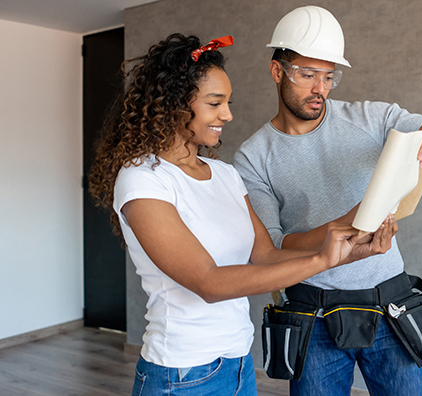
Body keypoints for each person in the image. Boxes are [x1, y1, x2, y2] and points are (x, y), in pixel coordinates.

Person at [87, 33, 396, 396]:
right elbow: (209, 282)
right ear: (173, 104)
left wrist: (345, 252)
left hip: (237, 364)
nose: (228, 115)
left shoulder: (225, 175)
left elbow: (266, 256)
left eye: (227, 102)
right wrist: (321, 261)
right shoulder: (142, 180)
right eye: (215, 103)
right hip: (180, 374)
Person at [232, 6, 422, 396]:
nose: (320, 88)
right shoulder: (253, 157)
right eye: (307, 74)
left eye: (329, 76)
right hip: (312, 318)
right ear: (277, 71)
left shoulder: (373, 119)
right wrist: (341, 227)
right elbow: (274, 246)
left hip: (390, 307)